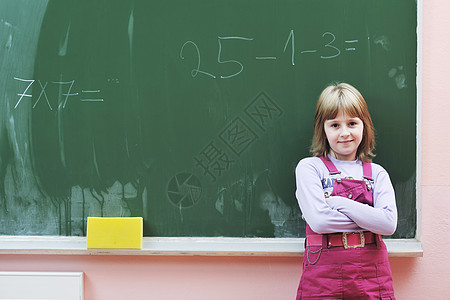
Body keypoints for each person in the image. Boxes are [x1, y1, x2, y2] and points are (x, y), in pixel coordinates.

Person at [295, 82, 397, 299]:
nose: (344, 133)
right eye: (334, 125)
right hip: (323, 277)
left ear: (364, 126)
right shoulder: (310, 168)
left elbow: (388, 224)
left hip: (373, 275)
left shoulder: (378, 174)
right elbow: (320, 222)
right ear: (322, 128)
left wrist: (338, 203)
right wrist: (371, 218)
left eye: (352, 123)